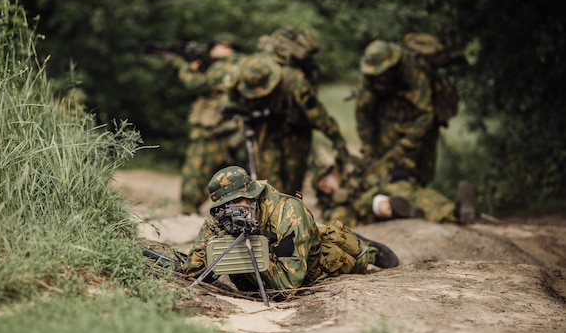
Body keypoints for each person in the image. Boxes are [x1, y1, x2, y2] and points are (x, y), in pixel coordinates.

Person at [182, 166, 399, 297]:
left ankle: (366, 249)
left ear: (253, 195)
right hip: (271, 266)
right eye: (227, 204)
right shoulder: (221, 216)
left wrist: (245, 250)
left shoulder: (288, 211)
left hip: (316, 266)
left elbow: (288, 286)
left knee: (346, 258)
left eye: (239, 200)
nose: (235, 208)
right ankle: (320, 232)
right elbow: (193, 271)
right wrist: (220, 236)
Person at [229, 51, 352, 197]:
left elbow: (316, 113)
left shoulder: (293, 79)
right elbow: (229, 99)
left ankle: (290, 213)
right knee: (269, 179)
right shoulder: (239, 72)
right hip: (265, 129)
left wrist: (335, 137)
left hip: (295, 131)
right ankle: (273, 213)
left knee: (292, 180)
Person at [354, 38, 463, 189]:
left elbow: (425, 114)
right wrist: (369, 145)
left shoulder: (413, 69)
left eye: (383, 72)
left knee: (419, 171)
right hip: (389, 120)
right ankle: (391, 199)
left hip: (419, 123)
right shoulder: (368, 75)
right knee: (385, 167)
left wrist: (404, 147)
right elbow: (363, 112)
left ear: (392, 65)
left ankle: (421, 201)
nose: (379, 77)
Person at [162, 33, 247, 215]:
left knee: (196, 169)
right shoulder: (242, 65)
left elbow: (197, 84)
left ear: (227, 47)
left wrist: (180, 65)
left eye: (216, 47)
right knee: (226, 170)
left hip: (212, 129)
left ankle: (189, 209)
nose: (212, 51)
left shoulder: (223, 66)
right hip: (230, 128)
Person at [311, 147, 476, 226]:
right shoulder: (331, 202)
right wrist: (341, 199)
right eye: (322, 188)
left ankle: (456, 211)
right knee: (381, 203)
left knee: (412, 192)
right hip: (367, 205)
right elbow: (335, 218)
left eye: (325, 182)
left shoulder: (352, 168)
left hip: (385, 188)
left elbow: (375, 169)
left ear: (333, 172)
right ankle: (402, 212)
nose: (326, 187)